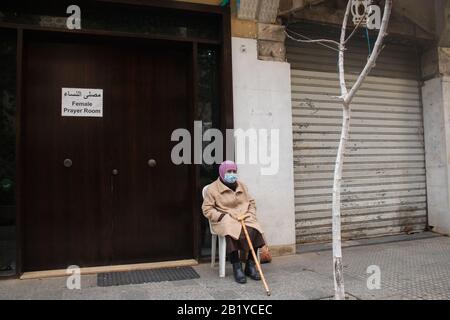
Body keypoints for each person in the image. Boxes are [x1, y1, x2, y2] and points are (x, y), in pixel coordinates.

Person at [202, 160, 265, 284]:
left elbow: (251, 202)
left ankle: (250, 265)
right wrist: (221, 216)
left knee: (256, 228)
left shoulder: (242, 185)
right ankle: (237, 266)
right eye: (229, 171)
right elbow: (207, 209)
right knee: (231, 230)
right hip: (225, 217)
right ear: (222, 172)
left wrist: (250, 214)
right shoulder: (213, 188)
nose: (232, 174)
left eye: (234, 171)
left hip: (244, 215)